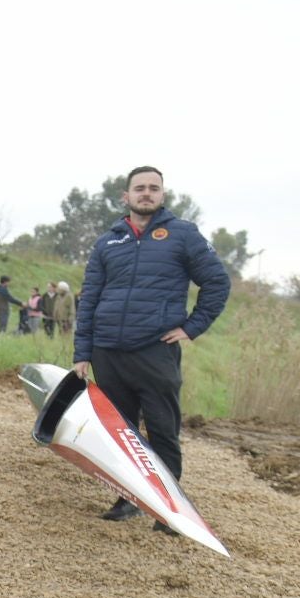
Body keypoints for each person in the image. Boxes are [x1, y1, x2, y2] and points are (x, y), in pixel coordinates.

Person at [74, 165, 230, 526]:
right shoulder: (108, 241)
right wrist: (83, 352)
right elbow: (90, 298)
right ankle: (128, 498)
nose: (147, 193)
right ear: (125, 196)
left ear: (162, 195)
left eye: (153, 188)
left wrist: (192, 328)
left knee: (162, 429)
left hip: (154, 351)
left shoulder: (183, 235)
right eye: (139, 188)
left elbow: (217, 283)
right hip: (108, 351)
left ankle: (170, 511)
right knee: (120, 433)